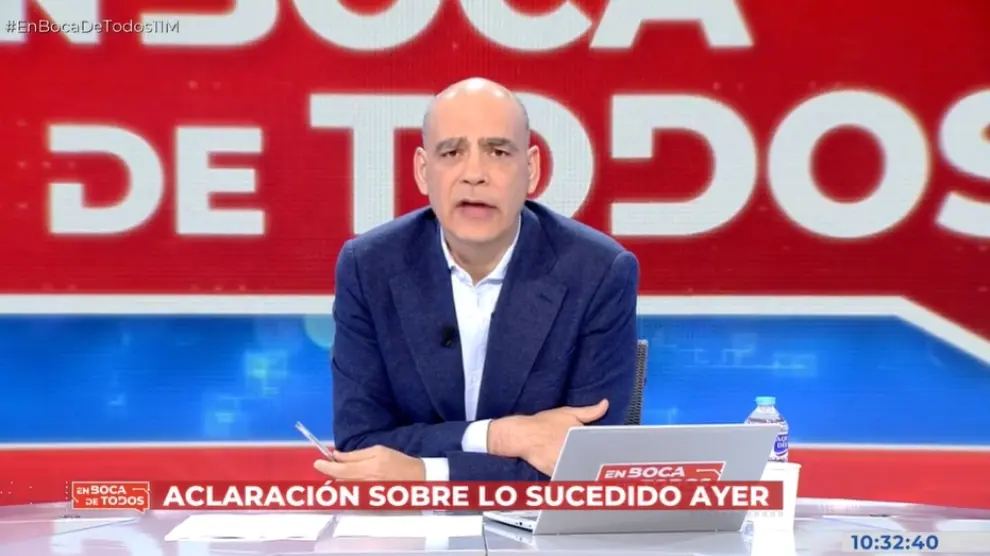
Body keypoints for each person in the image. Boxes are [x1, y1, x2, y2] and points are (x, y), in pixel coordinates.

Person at [315, 77, 639, 482]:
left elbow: (585, 464)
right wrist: (496, 436)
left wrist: (427, 473)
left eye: (498, 152)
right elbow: (361, 447)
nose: (474, 174)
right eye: (451, 152)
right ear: (423, 171)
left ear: (531, 170)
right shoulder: (369, 267)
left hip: (538, 520)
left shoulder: (599, 273)